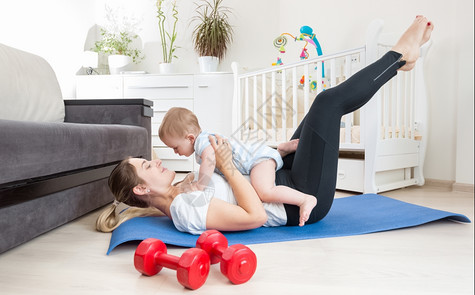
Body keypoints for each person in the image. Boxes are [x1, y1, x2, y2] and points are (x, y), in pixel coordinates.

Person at [96, 16, 434, 234]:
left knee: (317, 111)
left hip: (282, 177)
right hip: (299, 197)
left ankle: (400, 60)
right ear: (141, 188)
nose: (155, 160)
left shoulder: (182, 191)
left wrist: (260, 155)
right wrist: (227, 168)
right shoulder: (184, 210)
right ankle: (400, 57)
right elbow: (254, 216)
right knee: (327, 103)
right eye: (145, 165)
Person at [158, 107, 316, 226]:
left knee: (264, 191)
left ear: (190, 138)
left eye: (176, 147)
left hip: (258, 161)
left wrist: (200, 185)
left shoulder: (204, 143)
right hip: (255, 158)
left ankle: (304, 199)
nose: (175, 152)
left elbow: (209, 161)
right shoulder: (203, 141)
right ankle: (280, 151)